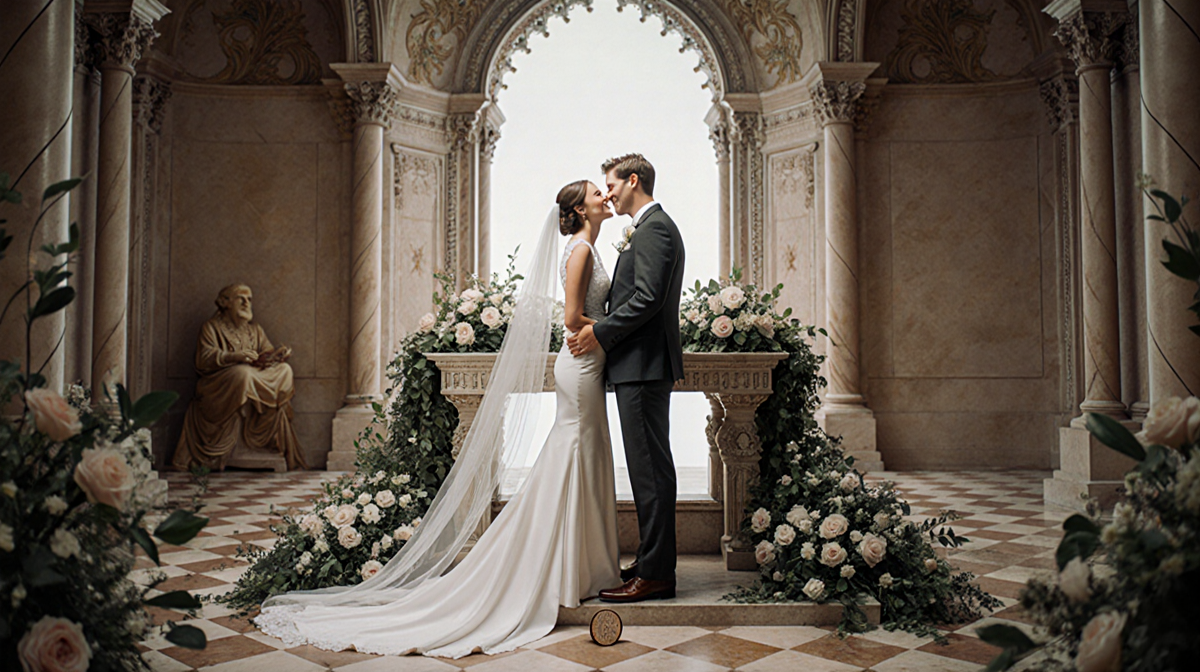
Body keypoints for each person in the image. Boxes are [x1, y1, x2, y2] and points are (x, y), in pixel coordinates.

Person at [255, 180, 620, 658]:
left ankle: (582, 567)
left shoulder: (587, 246)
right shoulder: (580, 252)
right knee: (575, 450)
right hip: (581, 362)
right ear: (579, 207)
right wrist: (620, 326)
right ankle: (563, 569)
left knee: (584, 452)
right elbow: (573, 318)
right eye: (596, 192)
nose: (604, 197)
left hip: (588, 364)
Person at [567, 153, 686, 603]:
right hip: (640, 365)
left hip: (643, 365)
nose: (609, 193)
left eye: (611, 185)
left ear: (632, 180)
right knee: (649, 469)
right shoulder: (650, 227)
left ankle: (655, 575)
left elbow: (648, 298)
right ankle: (654, 561)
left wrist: (600, 331)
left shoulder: (654, 228)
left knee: (650, 471)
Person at [172, 284, 306, 471]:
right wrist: (235, 357)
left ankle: (261, 429)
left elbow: (265, 354)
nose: (246, 303)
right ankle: (235, 444)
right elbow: (204, 360)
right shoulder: (212, 327)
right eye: (241, 298)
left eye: (249, 299)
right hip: (219, 383)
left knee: (285, 370)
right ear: (225, 303)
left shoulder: (255, 330)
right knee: (242, 373)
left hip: (252, 375)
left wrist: (275, 356)